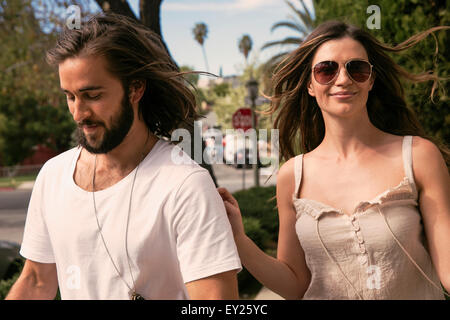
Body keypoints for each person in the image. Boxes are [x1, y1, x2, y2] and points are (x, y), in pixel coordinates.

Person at [6, 13, 241, 300]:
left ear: (135, 88)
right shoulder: (52, 176)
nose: (78, 113)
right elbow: (36, 282)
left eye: (92, 95)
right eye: (70, 96)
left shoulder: (186, 185)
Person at [218, 21, 450, 300]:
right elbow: (296, 286)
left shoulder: (418, 156)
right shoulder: (293, 175)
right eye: (326, 70)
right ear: (310, 85)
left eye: (357, 69)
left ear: (371, 80)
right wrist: (240, 241)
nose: (343, 79)